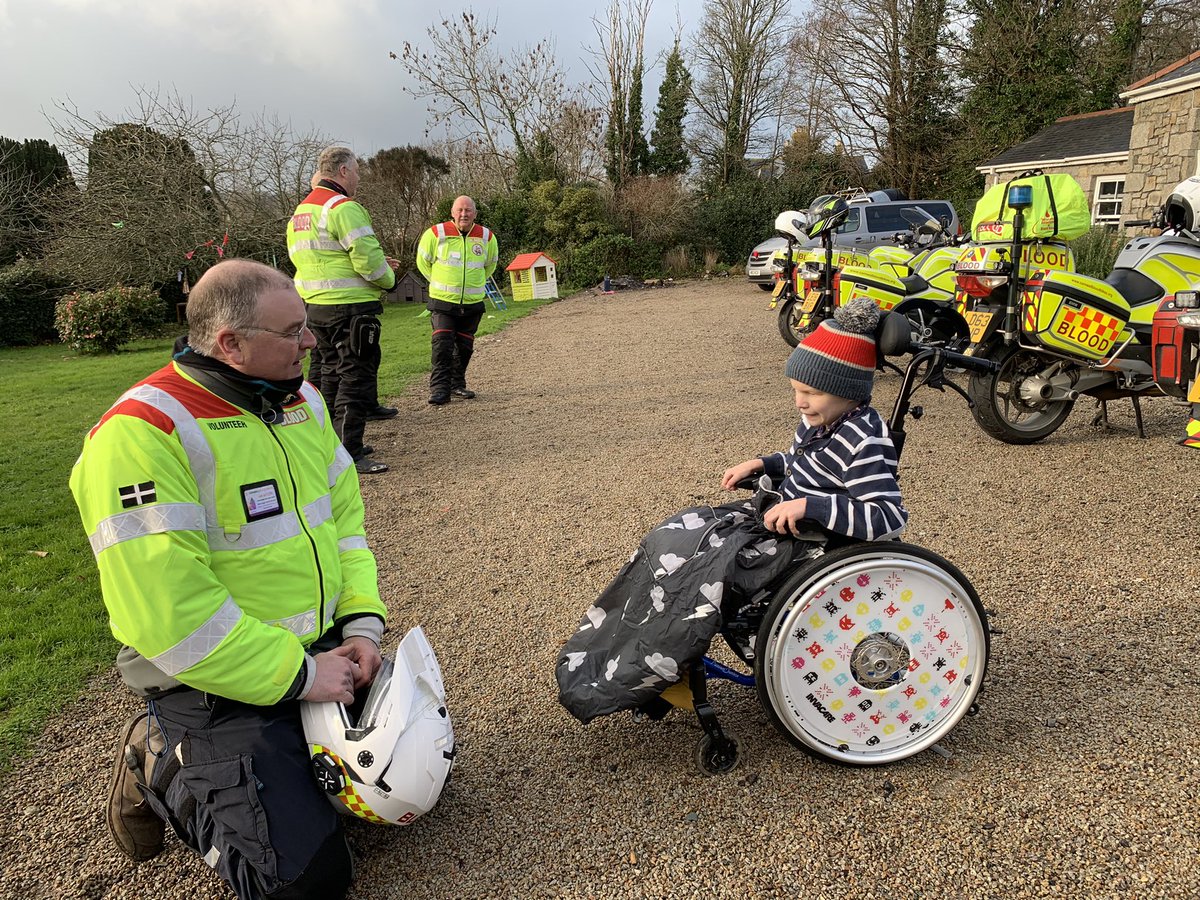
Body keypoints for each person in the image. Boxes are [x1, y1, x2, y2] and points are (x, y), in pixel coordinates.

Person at [70, 259, 388, 899]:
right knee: (304, 882)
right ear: (230, 344)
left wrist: (360, 625)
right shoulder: (143, 434)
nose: (312, 341)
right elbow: (171, 613)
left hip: (314, 650)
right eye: (293, 330)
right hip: (212, 675)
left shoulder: (301, 402)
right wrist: (299, 676)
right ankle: (162, 763)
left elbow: (343, 526)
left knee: (408, 790)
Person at [557, 298, 908, 723]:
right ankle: (628, 659)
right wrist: (765, 463)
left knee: (697, 573)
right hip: (778, 519)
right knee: (674, 535)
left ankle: (651, 666)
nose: (799, 402)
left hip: (810, 541)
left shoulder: (865, 440)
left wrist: (810, 505)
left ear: (848, 391)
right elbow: (802, 463)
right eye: (796, 391)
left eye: (810, 392)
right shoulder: (822, 421)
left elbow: (888, 517)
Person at [289, 146, 399, 475]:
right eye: (357, 172)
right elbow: (367, 259)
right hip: (350, 309)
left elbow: (315, 260)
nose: (358, 179)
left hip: (315, 308)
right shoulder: (342, 208)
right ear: (343, 172)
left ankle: (326, 446)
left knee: (325, 377)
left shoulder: (301, 213)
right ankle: (350, 450)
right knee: (354, 376)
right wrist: (389, 280)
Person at [415, 195, 499, 405]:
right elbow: (423, 262)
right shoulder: (436, 233)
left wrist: (473, 284)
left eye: (468, 210)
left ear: (475, 214)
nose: (464, 214)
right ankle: (439, 390)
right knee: (442, 346)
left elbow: (490, 265)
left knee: (464, 348)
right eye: (460, 210)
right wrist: (439, 281)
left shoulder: (487, 237)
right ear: (452, 212)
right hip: (443, 302)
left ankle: (456, 385)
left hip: (472, 304)